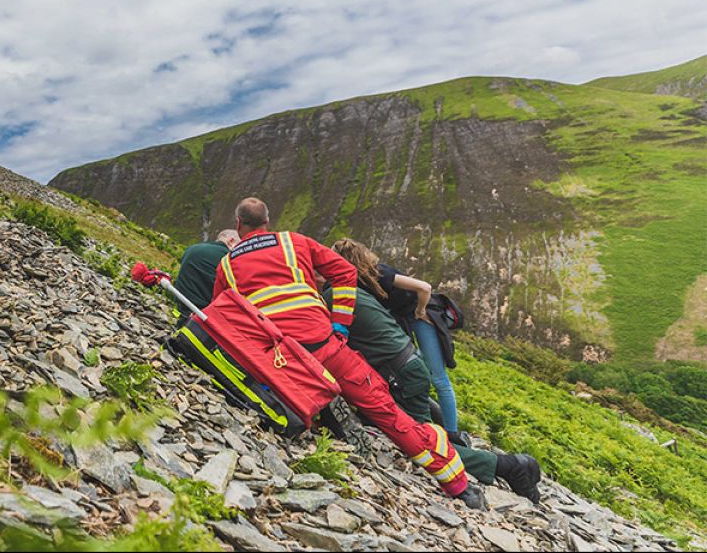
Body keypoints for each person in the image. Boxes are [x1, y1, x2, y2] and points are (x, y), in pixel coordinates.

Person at [212, 198, 483, 508]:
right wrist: (340, 325)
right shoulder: (294, 242)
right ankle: (460, 488)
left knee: (300, 403)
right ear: (267, 222)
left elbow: (225, 315)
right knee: (385, 409)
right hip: (326, 345)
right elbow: (345, 273)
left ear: (238, 225)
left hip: (285, 358)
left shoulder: (227, 266)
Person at [318, 280, 543, 502]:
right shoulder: (353, 290)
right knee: (411, 424)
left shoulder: (331, 298)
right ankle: (489, 455)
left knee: (422, 442)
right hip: (409, 364)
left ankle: (509, 467)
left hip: (398, 374)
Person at [332, 239, 461, 438]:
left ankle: (453, 434)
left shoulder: (379, 273)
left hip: (419, 317)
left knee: (438, 377)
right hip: (400, 319)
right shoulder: (357, 280)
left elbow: (424, 288)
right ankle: (431, 419)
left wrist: (420, 310)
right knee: (415, 368)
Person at [172, 229, 239, 322]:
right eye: (239, 245)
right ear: (231, 241)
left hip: (182, 312)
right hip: (206, 318)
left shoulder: (191, 249)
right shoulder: (228, 257)